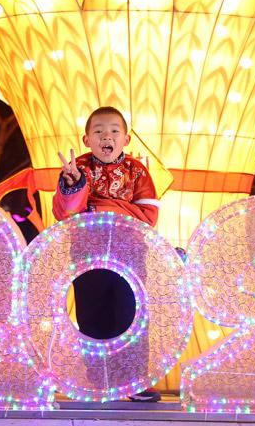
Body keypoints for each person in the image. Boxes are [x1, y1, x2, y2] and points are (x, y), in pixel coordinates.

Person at [53, 106, 162, 402]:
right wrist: (74, 185)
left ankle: (134, 381)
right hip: (87, 254)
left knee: (131, 314)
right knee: (92, 316)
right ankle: (99, 380)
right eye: (99, 131)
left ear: (126, 139)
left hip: (129, 255)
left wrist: (98, 207)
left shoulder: (138, 171)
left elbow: (148, 216)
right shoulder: (78, 169)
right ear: (86, 139)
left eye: (114, 131)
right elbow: (66, 214)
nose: (106, 136)